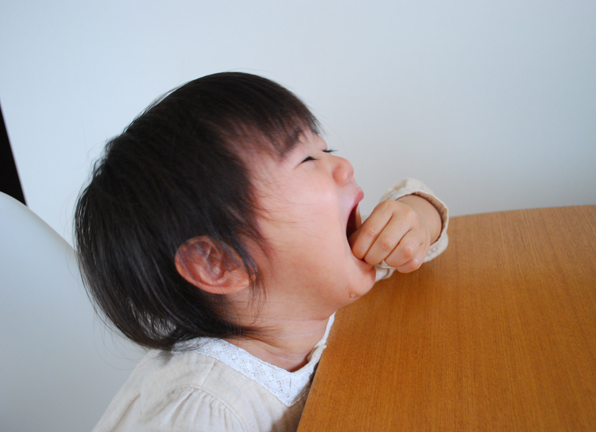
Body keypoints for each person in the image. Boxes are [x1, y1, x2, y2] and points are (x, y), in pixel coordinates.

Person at [75, 72, 449, 432]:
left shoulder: (309, 287)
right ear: (220, 263)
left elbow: (418, 235)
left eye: (326, 149)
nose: (344, 167)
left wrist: (416, 214)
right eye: (307, 160)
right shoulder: (200, 411)